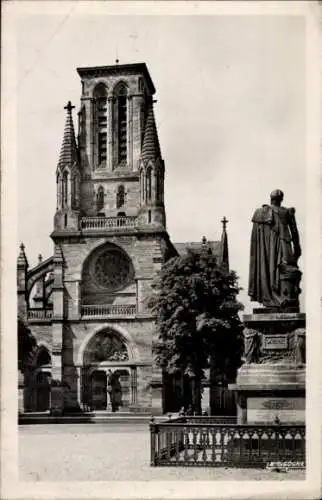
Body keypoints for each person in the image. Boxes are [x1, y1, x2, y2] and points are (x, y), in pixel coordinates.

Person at [248, 189, 301, 309]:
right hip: (283, 245)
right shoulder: (286, 212)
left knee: (271, 269)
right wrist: (297, 248)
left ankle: (274, 296)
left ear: (270, 198)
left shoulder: (260, 212)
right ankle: (280, 297)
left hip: (268, 250)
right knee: (283, 269)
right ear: (281, 199)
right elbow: (295, 233)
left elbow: (255, 239)